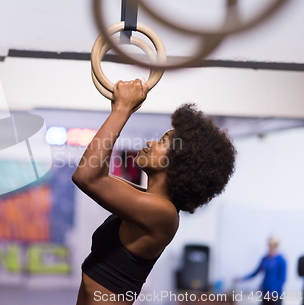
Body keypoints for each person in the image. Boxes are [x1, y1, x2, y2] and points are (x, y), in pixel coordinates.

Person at [72, 79, 237, 305]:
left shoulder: (163, 214)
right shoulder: (147, 200)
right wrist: (118, 110)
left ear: (181, 163)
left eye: (162, 141)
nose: (151, 142)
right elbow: (95, 172)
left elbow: (87, 176)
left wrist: (122, 110)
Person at [236, 236, 287, 305]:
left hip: (276, 295)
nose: (270, 247)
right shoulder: (265, 258)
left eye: (272, 245)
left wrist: (273, 291)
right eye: (269, 245)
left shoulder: (281, 260)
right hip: (265, 292)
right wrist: (241, 278)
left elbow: (282, 279)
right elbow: (255, 272)